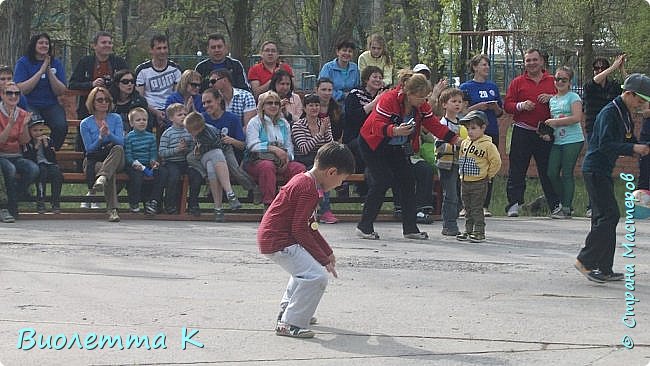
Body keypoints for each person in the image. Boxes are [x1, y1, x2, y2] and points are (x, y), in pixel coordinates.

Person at [258, 142, 354, 338]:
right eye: (341, 180)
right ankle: (290, 322)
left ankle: (291, 310)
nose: (339, 185)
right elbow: (300, 229)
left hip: (275, 238)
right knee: (316, 277)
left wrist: (327, 251)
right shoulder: (307, 188)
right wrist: (322, 259)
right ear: (331, 172)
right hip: (279, 241)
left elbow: (310, 225)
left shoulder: (305, 182)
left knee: (304, 273)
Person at [356, 70, 459, 240]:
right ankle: (364, 227)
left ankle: (410, 229)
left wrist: (455, 139)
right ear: (409, 93)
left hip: (396, 147)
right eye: (421, 97)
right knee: (382, 180)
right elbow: (376, 125)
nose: (424, 101)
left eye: (426, 96)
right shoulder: (388, 99)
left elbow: (434, 125)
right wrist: (394, 130)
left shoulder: (422, 106)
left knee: (408, 182)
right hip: (373, 144)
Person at [575, 73, 650, 283]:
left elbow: (629, 138)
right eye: (640, 100)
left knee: (603, 218)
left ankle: (604, 267)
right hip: (595, 169)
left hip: (603, 170)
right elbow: (605, 144)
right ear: (628, 93)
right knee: (609, 216)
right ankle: (585, 260)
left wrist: (640, 148)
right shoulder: (610, 112)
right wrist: (634, 147)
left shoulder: (625, 113)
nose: (641, 105)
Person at [503, 48, 559, 217]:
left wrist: (552, 98)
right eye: (528, 61)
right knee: (517, 169)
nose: (532, 63)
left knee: (548, 170)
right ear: (524, 63)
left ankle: (555, 204)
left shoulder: (553, 81)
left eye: (535, 60)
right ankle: (514, 204)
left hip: (546, 132)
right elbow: (507, 105)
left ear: (542, 61)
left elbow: (566, 99)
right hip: (522, 130)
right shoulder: (517, 82)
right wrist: (521, 105)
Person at [582, 55, 627, 218]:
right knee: (594, 167)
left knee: (605, 168)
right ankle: (591, 205)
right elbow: (595, 80)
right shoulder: (589, 86)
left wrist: (621, 69)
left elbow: (630, 89)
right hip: (594, 131)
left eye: (603, 68)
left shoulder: (613, 87)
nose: (599, 70)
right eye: (597, 68)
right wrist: (613, 67)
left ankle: (603, 203)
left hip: (610, 131)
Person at [459, 54, 503, 217]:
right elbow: (462, 111)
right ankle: (465, 205)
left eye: (487, 65)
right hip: (471, 132)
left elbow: (500, 112)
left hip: (490, 131)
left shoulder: (492, 86)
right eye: (483, 65)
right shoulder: (466, 87)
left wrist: (494, 108)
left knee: (488, 166)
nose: (486, 68)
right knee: (469, 165)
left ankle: (484, 205)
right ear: (475, 67)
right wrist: (478, 107)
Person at [245, 91, 306, 206]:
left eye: (276, 103)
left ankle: (293, 203)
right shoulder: (255, 122)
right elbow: (252, 145)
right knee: (267, 167)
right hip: (256, 160)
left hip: (280, 160)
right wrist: (274, 149)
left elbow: (289, 145)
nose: (273, 106)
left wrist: (288, 158)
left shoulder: (284, 123)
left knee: (299, 169)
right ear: (262, 106)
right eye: (269, 103)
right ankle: (269, 203)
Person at [201, 88, 260, 201]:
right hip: (208, 154)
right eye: (203, 103)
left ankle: (253, 188)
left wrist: (231, 140)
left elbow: (243, 145)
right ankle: (215, 189)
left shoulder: (232, 118)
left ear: (218, 100)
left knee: (230, 165)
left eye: (209, 102)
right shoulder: (203, 118)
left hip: (230, 152)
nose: (206, 105)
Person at [13, 33, 68, 150]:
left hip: (50, 104)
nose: (44, 45)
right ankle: (33, 154)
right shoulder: (23, 62)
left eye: (47, 43)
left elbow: (61, 91)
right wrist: (40, 71)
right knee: (33, 125)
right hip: (30, 104)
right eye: (41, 43)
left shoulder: (56, 63)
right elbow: (21, 89)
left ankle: (50, 152)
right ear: (34, 45)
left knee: (61, 126)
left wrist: (48, 71)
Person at [185, 112, 242, 222]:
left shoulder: (209, 134)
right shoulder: (195, 133)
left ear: (200, 128)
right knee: (215, 154)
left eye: (191, 131)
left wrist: (199, 149)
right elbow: (195, 153)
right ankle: (230, 193)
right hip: (205, 157)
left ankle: (218, 209)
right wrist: (196, 149)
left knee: (213, 165)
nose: (189, 132)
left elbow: (222, 148)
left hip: (218, 157)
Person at [543, 66, 584, 219]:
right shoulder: (553, 100)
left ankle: (565, 208)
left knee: (567, 173)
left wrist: (555, 122)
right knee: (551, 172)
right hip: (558, 140)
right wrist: (547, 133)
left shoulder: (573, 97)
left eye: (563, 80)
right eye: (557, 79)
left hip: (573, 139)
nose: (559, 82)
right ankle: (565, 202)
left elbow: (576, 118)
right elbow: (553, 122)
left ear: (569, 82)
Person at [79, 86, 125, 222]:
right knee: (108, 173)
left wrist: (109, 134)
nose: (104, 102)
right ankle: (113, 211)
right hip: (95, 159)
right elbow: (89, 150)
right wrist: (100, 137)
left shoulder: (116, 118)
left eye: (107, 100)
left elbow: (121, 142)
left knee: (118, 149)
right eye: (100, 100)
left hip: (114, 157)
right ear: (92, 102)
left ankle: (102, 177)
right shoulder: (85, 123)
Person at [456, 111, 502, 243]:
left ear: (483, 128)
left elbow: (496, 161)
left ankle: (479, 231)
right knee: (467, 208)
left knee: (476, 208)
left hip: (479, 182)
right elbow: (461, 157)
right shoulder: (465, 143)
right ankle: (468, 230)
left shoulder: (488, 145)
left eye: (474, 128)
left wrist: (489, 175)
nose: (470, 132)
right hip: (465, 181)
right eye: (468, 128)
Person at [292, 94, 337, 223]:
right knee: (319, 172)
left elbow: (331, 145)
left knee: (327, 170)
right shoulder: (298, 126)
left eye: (317, 105)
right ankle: (323, 208)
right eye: (310, 105)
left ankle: (324, 210)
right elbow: (304, 148)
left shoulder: (324, 123)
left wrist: (325, 130)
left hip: (321, 158)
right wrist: (320, 134)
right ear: (304, 108)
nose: (314, 108)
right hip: (304, 159)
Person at [0, 82, 39, 218]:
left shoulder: (22, 114)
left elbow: (24, 141)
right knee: (10, 169)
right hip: (2, 155)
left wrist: (23, 125)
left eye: (16, 93)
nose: (13, 96)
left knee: (33, 169)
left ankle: (14, 196)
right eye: (9, 93)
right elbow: (1, 141)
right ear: (2, 95)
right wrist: (10, 125)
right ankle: (10, 207)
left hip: (16, 154)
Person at [69, 31, 128, 119]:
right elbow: (72, 84)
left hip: (114, 106)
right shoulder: (85, 62)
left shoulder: (119, 62)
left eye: (110, 43)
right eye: (103, 42)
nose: (107, 45)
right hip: (88, 109)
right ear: (94, 46)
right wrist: (91, 84)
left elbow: (128, 81)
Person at [158, 103, 202, 215]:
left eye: (185, 114)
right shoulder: (167, 133)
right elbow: (162, 152)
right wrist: (176, 149)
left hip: (186, 161)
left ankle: (193, 205)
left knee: (196, 175)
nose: (183, 116)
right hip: (171, 162)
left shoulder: (189, 131)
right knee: (174, 176)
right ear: (171, 118)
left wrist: (190, 148)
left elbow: (192, 149)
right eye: (179, 114)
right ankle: (170, 205)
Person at [135, 34, 182, 131]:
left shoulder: (176, 69)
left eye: (165, 48)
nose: (162, 51)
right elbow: (140, 97)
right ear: (151, 50)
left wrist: (167, 111)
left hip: (170, 107)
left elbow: (177, 94)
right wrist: (156, 112)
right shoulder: (142, 70)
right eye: (159, 48)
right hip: (149, 109)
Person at [436, 88, 466, 236]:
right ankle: (449, 225)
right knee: (451, 195)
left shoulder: (463, 123)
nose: (457, 104)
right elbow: (439, 144)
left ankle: (453, 218)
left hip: (460, 164)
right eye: (453, 101)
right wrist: (455, 143)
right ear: (444, 104)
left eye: (459, 101)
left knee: (459, 195)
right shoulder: (443, 124)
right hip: (446, 165)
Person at [124, 107, 164, 215]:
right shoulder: (128, 138)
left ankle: (153, 201)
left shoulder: (151, 137)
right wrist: (134, 163)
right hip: (134, 164)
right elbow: (128, 155)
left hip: (147, 164)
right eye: (138, 120)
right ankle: (134, 203)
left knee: (161, 173)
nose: (142, 122)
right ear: (132, 123)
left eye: (144, 120)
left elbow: (153, 153)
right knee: (137, 177)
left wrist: (153, 162)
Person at [22, 113, 63, 214]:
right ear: (29, 131)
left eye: (40, 130)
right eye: (35, 130)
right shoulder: (28, 142)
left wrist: (46, 145)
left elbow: (52, 158)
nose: (38, 133)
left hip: (49, 163)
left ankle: (55, 202)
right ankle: (41, 201)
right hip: (37, 164)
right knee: (42, 173)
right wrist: (36, 146)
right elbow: (28, 158)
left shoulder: (48, 140)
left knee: (57, 174)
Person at [318, 39, 360, 104]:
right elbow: (322, 89)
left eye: (350, 51)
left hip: (350, 103)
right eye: (344, 50)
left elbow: (357, 87)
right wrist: (343, 95)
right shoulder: (328, 68)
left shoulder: (354, 68)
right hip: (331, 104)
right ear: (337, 52)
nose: (347, 53)